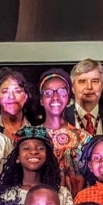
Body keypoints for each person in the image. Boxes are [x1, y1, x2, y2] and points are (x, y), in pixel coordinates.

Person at [0, 126, 73, 205]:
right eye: (26, 148)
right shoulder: (7, 196)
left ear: (47, 156)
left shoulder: (61, 194)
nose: (34, 151)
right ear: (17, 157)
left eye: (40, 148)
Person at [39, 68, 92, 196]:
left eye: (62, 92)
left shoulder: (85, 138)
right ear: (41, 100)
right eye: (48, 92)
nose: (55, 97)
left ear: (68, 99)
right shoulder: (32, 137)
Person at [65, 59, 103, 136]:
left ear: (102, 85)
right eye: (82, 81)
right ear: (73, 88)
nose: (89, 87)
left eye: (95, 81)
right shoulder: (62, 117)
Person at [0, 67, 35, 140]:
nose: (11, 96)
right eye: (5, 92)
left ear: (26, 96)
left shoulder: (37, 131)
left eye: (17, 91)